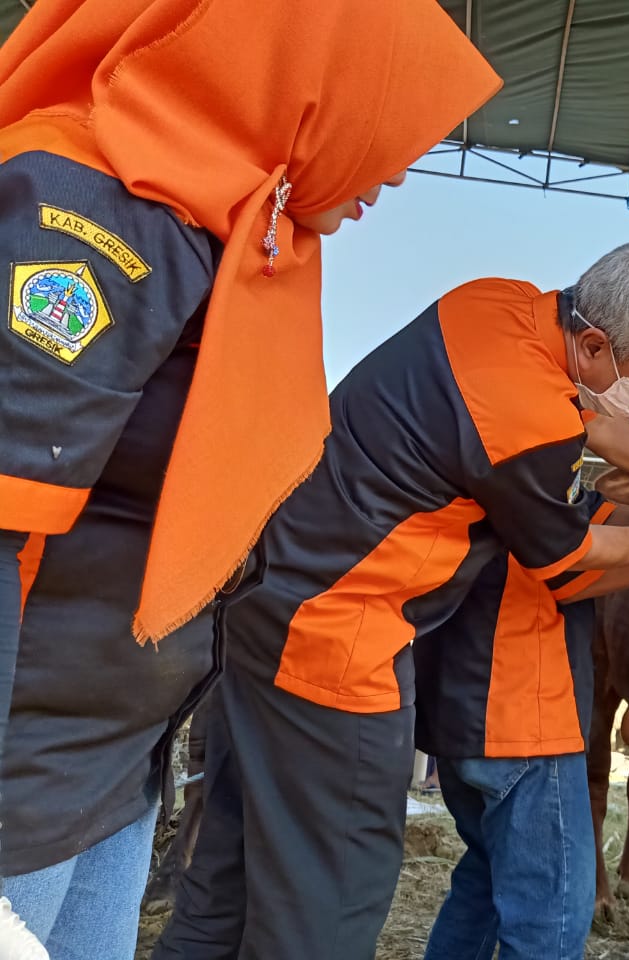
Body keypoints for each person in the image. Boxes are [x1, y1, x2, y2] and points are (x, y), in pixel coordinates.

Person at [0, 1, 500, 956]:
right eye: (387, 124)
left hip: (106, 758)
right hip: (22, 776)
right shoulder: (92, 208)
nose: (393, 170)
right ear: (311, 83)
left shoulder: (223, 232)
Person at [154, 239, 629, 960]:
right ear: (591, 345)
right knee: (332, 897)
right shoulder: (526, 422)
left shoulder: (494, 305)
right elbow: (566, 561)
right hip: (340, 647)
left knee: (227, 873)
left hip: (267, 608)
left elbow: (594, 420)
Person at [415, 487, 629, 960]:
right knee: (551, 916)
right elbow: (564, 566)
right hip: (522, 712)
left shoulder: (464, 426)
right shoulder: (537, 431)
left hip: (457, 706)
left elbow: (577, 510)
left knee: (487, 874)